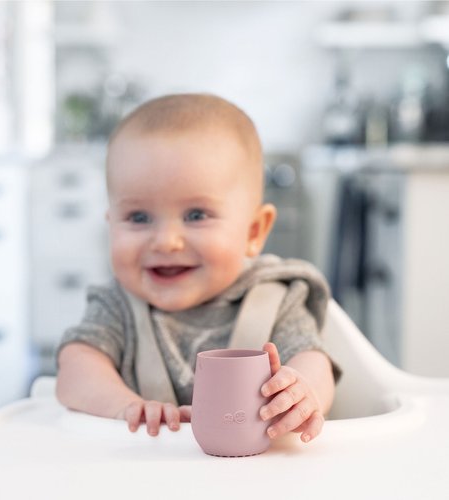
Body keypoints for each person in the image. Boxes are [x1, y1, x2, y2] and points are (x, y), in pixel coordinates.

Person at [56, 93, 338, 444]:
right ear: (111, 223)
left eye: (196, 215)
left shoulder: (276, 299)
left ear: (254, 231)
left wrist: (301, 390)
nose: (166, 241)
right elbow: (75, 368)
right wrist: (126, 407)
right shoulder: (118, 306)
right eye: (138, 217)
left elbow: (313, 360)